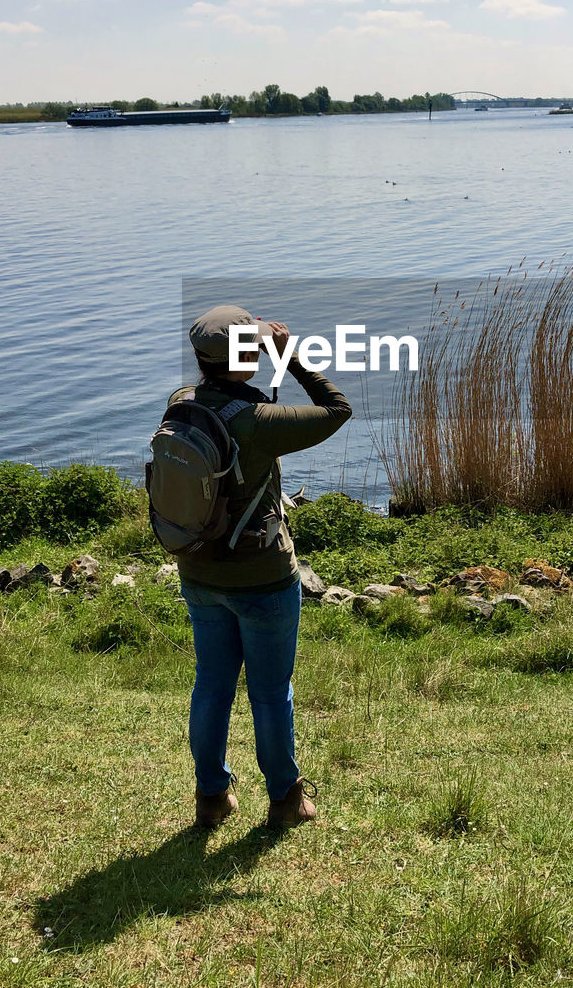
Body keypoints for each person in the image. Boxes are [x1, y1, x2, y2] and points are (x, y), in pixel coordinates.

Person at [171, 304, 352, 830]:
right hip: (264, 580)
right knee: (271, 694)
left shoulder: (180, 406)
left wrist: (250, 347)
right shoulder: (257, 421)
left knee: (211, 687)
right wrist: (289, 356)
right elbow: (336, 408)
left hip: (200, 573)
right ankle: (286, 800)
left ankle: (211, 798)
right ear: (247, 355)